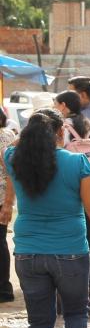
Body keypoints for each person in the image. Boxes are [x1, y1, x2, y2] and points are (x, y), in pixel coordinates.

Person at [1, 109, 90, 328]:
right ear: (60, 132)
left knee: (39, 322)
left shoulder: (14, 159)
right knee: (76, 313)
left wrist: (30, 133)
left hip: (28, 252)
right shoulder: (77, 162)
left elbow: (10, 146)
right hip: (71, 251)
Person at [54, 90, 90, 316]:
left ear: (63, 106)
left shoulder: (61, 129)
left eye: (56, 104)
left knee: (63, 244)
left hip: (68, 192)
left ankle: (63, 298)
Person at [0, 109, 17, 303]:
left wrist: (7, 203)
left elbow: (10, 171)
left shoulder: (4, 137)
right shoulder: (9, 135)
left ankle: (4, 289)